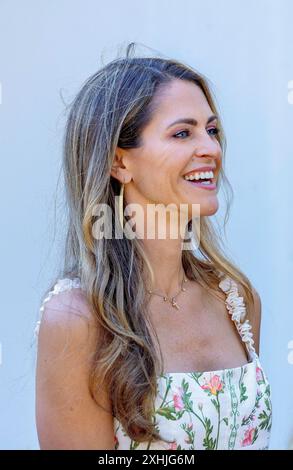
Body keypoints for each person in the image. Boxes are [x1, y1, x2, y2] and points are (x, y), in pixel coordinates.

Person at [34, 43, 272, 450]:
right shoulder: (78, 320)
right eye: (183, 133)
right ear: (119, 163)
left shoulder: (234, 298)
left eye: (211, 130)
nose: (212, 149)